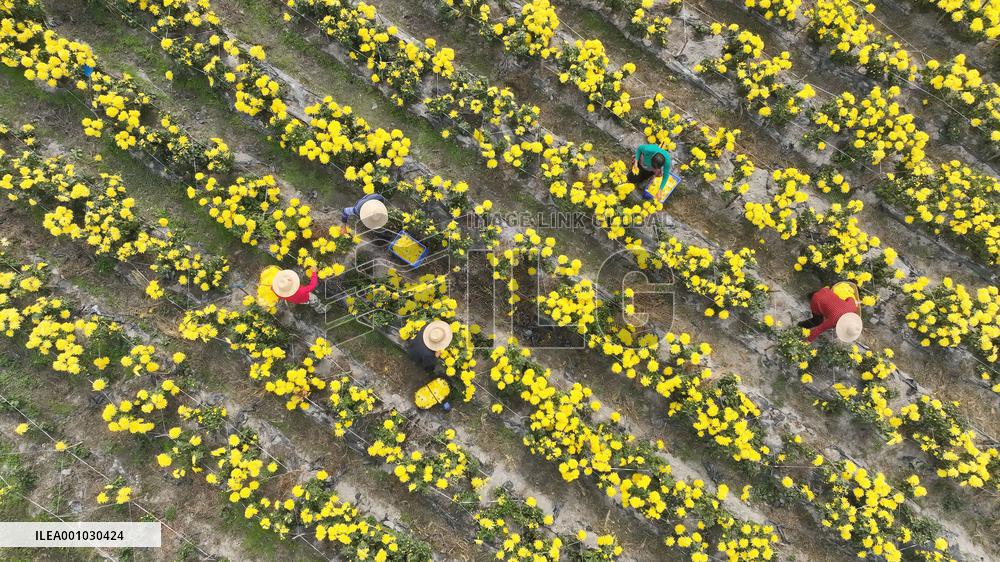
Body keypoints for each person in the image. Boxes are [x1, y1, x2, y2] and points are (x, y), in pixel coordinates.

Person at [798, 283, 863, 343]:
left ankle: (814, 295)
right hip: (816, 300)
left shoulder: (853, 307)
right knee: (817, 321)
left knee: (827, 309)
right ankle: (800, 326)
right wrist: (808, 341)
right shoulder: (833, 321)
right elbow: (818, 330)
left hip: (826, 291)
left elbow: (850, 298)